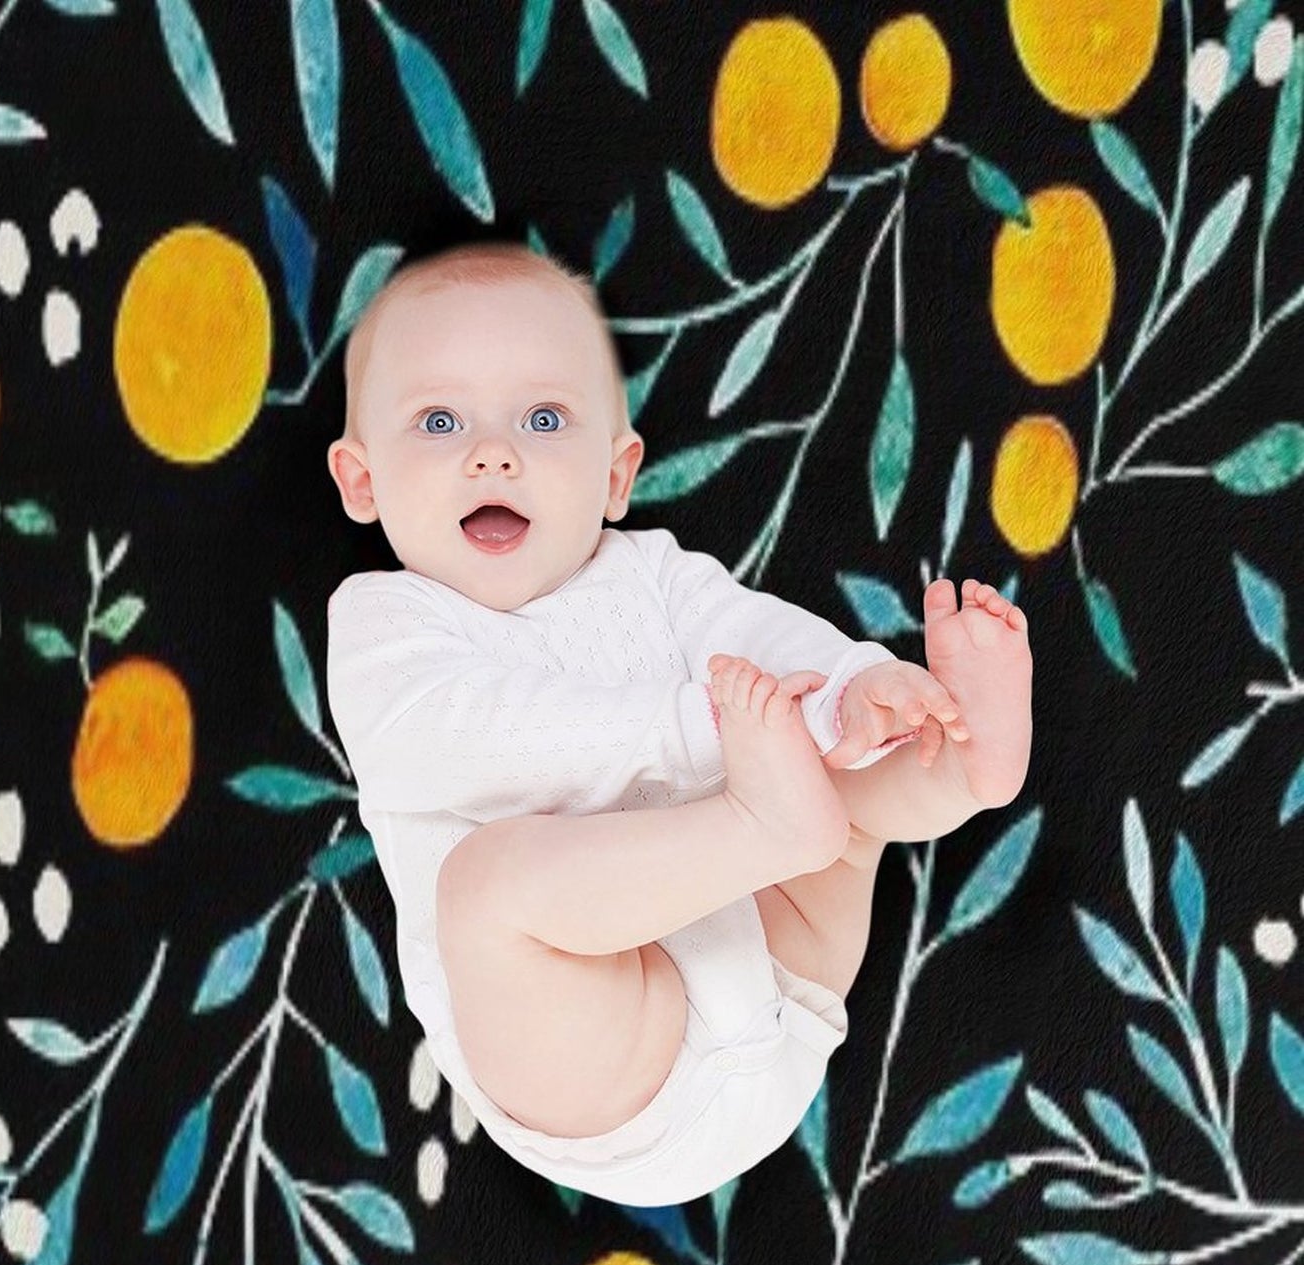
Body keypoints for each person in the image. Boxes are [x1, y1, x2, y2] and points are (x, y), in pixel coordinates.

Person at [324, 239, 1033, 1205]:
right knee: (484, 889)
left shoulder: (651, 573)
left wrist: (849, 688)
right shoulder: (385, 625)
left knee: (840, 780)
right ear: (362, 482)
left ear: (615, 476)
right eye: (439, 420)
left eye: (543, 417)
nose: (494, 452)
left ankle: (954, 764)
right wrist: (705, 731)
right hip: (608, 1066)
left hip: (785, 973)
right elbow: (471, 739)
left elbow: (756, 635)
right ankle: (771, 821)